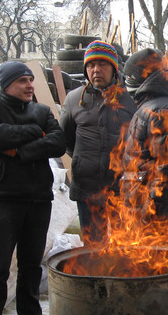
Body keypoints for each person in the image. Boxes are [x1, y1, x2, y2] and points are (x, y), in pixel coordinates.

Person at [0, 61, 66, 315]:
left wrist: (19, 152)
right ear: (6, 84)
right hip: (2, 200)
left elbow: (58, 143)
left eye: (30, 80)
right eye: (22, 81)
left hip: (38, 200)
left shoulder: (41, 110)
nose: (29, 85)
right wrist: (36, 133)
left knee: (31, 266)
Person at [59, 40, 137, 245]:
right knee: (93, 247)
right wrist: (82, 160)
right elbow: (66, 139)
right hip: (87, 186)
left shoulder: (130, 99)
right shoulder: (74, 99)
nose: (96, 70)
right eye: (91, 65)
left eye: (102, 64)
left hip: (122, 186)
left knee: (124, 247)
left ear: (114, 67)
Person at [119, 47, 168, 243]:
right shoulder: (155, 106)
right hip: (145, 211)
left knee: (150, 270)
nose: (126, 83)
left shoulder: (159, 110)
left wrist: (148, 214)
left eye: (128, 77)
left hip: (151, 218)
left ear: (139, 76)